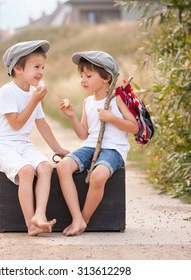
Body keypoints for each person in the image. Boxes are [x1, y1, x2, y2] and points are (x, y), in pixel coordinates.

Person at [0, 40, 69, 236]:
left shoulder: (33, 93)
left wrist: (58, 149)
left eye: (42, 67)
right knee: (26, 171)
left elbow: (42, 124)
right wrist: (34, 100)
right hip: (1, 145)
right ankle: (30, 224)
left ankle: (39, 215)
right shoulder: (7, 92)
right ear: (18, 68)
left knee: (46, 167)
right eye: (36, 67)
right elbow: (16, 123)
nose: (40, 72)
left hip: (22, 144)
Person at [56, 51, 139, 236]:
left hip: (113, 149)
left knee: (98, 176)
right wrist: (72, 117)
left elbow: (134, 128)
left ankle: (83, 220)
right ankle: (76, 217)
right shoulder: (87, 102)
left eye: (88, 75)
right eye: (81, 76)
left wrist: (111, 118)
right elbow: (84, 134)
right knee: (62, 167)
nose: (83, 80)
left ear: (106, 77)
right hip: (90, 146)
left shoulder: (117, 99)